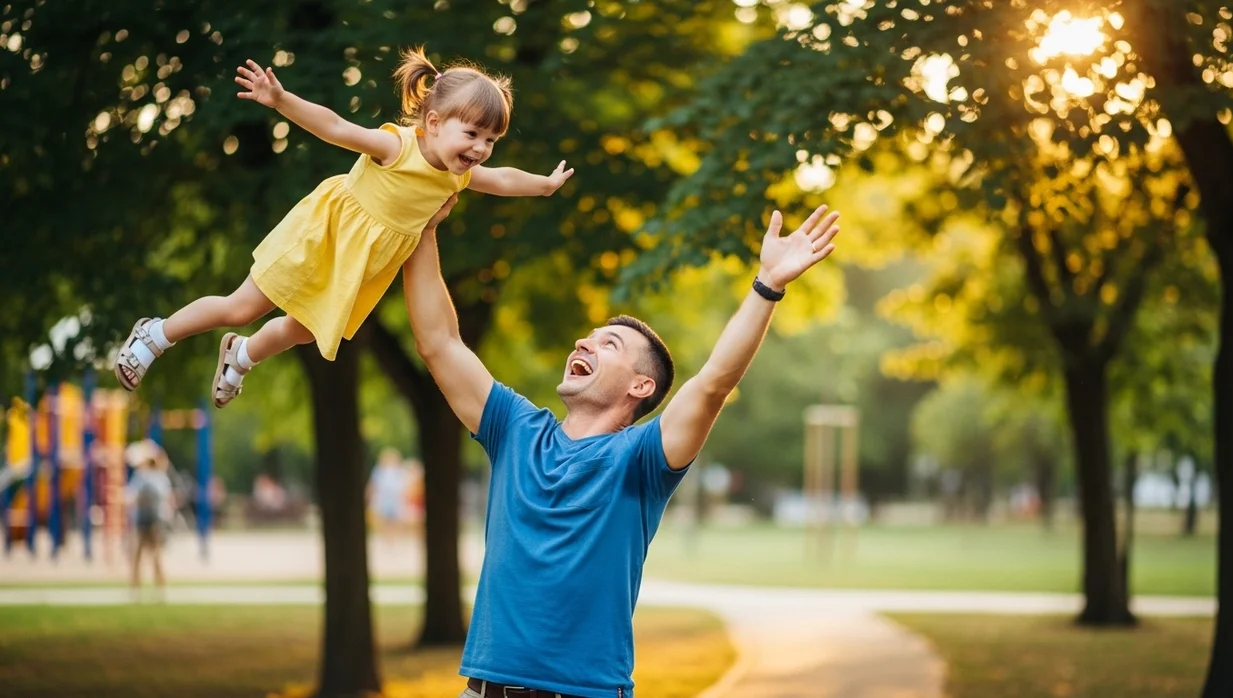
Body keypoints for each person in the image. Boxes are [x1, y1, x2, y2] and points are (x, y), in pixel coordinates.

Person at [403, 194, 839, 698]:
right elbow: (439, 342)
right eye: (587, 338)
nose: (583, 344)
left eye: (608, 344)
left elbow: (713, 382)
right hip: (484, 690)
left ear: (640, 387)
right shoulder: (514, 429)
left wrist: (768, 286)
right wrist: (420, 224)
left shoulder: (642, 460)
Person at [113, 47, 575, 408]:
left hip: (363, 263)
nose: (481, 149)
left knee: (304, 331)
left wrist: (543, 186)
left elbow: (505, 178)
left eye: (490, 140)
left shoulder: (459, 173)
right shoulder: (396, 147)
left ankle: (242, 356)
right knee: (241, 306)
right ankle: (155, 334)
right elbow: (335, 126)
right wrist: (280, 100)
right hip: (325, 234)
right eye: (471, 134)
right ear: (433, 123)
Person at [124, 440, 175, 600]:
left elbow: (132, 498)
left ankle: (142, 589)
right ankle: (154, 589)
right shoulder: (158, 477)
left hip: (149, 521)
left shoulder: (145, 477)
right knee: (151, 555)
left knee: (144, 556)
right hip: (152, 520)